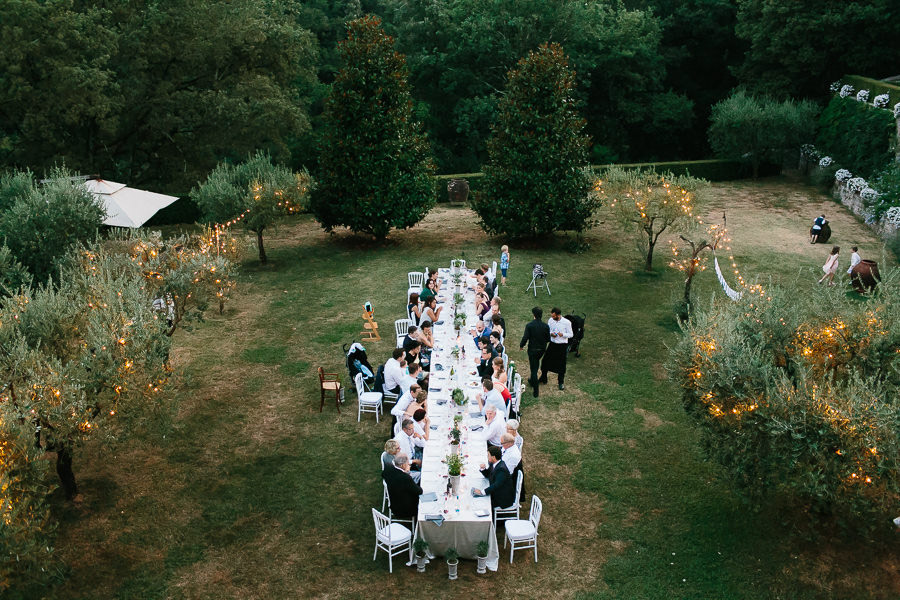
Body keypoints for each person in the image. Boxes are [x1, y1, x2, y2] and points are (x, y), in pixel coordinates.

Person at [520, 307, 551, 397]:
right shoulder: (545, 326)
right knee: (535, 365)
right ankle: (531, 380)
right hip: (541, 350)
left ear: (534, 315)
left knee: (534, 369)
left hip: (533, 350)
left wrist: (521, 345)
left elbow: (525, 337)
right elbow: (548, 339)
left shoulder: (529, 325)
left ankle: (535, 389)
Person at [540, 308, 573, 390]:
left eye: (554, 316)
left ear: (558, 315)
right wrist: (551, 334)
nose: (552, 317)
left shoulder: (566, 322)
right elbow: (549, 330)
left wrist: (563, 334)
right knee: (545, 361)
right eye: (552, 316)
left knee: (561, 365)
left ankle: (560, 382)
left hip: (562, 345)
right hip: (552, 344)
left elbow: (571, 334)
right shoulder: (551, 320)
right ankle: (543, 378)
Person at [383, 453, 423, 519]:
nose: (409, 465)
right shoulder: (405, 478)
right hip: (405, 509)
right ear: (402, 465)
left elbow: (383, 474)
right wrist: (407, 473)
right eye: (407, 464)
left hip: (394, 502)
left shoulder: (388, 468)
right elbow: (420, 491)